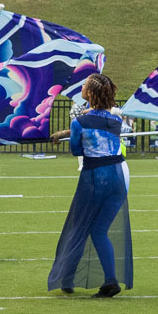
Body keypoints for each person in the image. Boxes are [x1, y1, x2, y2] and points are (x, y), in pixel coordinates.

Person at [47, 74, 132, 298]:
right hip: (117, 176)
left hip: (94, 177)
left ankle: (67, 279)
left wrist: (72, 131)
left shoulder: (80, 121)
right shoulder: (115, 121)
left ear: (91, 93)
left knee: (78, 226)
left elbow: (76, 150)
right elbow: (98, 124)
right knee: (98, 230)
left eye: (85, 85)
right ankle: (110, 280)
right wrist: (70, 131)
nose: (82, 87)